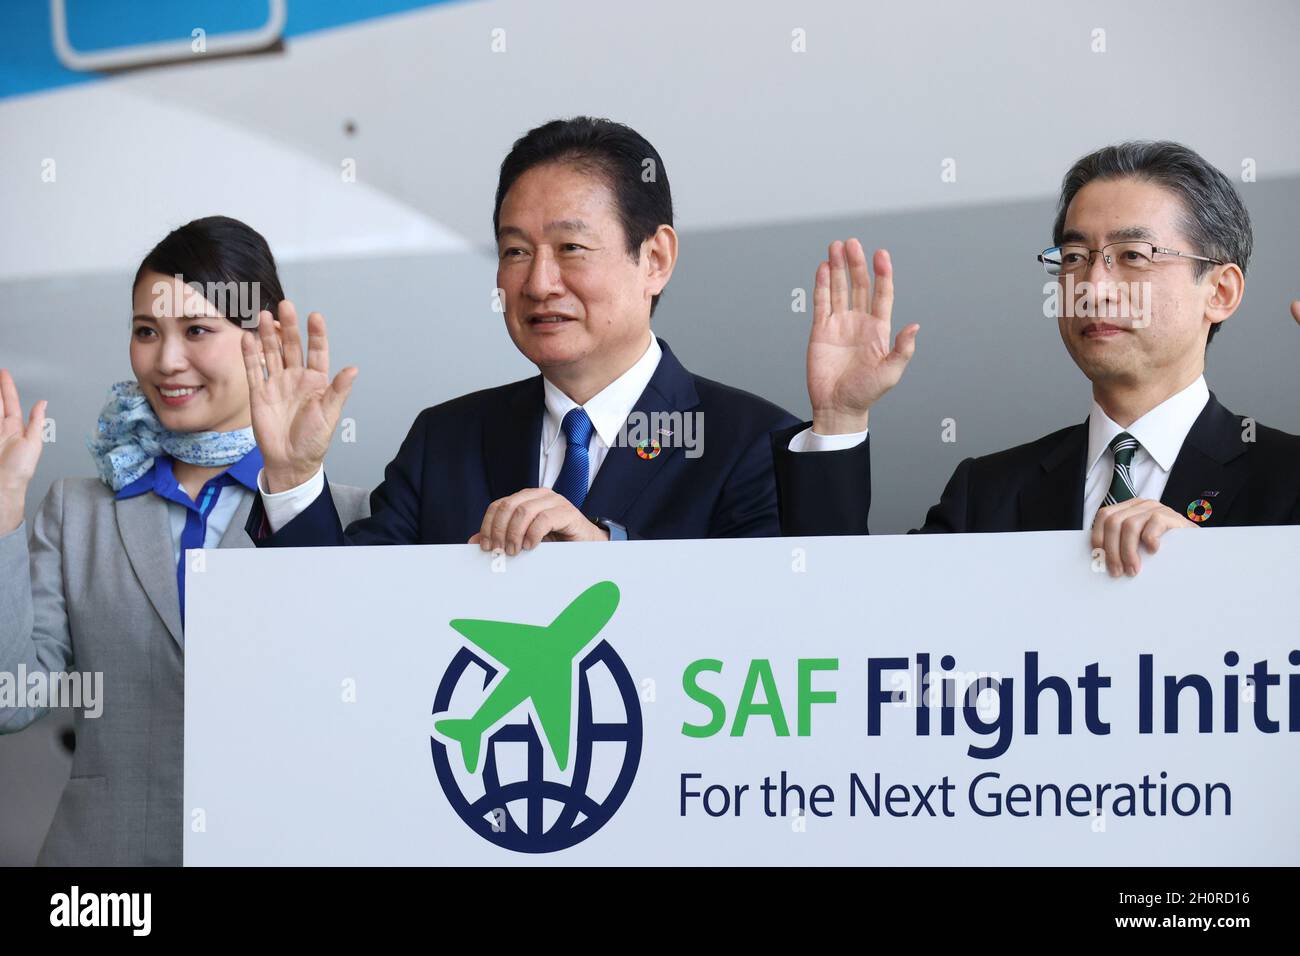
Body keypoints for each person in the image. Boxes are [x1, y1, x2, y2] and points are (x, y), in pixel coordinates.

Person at [241, 117, 915, 551]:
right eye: (514, 251)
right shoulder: (442, 442)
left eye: (571, 249)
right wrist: (296, 478)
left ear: (655, 259)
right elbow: (339, 624)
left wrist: (606, 557)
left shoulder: (750, 445)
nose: (537, 284)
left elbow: (805, 631)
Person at [0, 216, 370, 865]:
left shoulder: (344, 517)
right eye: (147, 332)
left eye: (197, 330)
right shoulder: (77, 511)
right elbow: (12, 701)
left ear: (267, 339)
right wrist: (3, 514)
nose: (166, 360)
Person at [774, 142, 1300, 575]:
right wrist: (840, 420)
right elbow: (847, 619)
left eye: (1133, 257)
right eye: (1074, 258)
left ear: (1221, 291)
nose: (1094, 286)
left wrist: (1220, 572)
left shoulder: (1286, 478)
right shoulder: (988, 494)